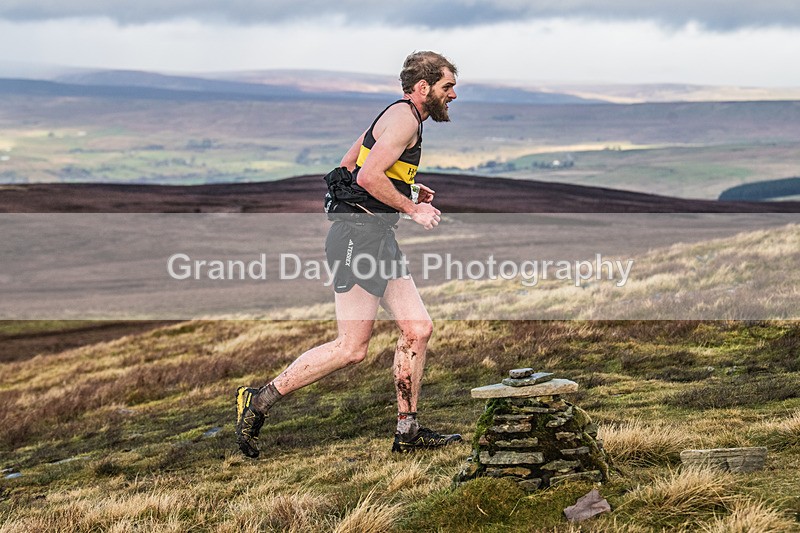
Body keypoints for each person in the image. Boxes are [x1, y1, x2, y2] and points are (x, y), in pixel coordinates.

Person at [236, 51, 461, 458]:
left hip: (375, 236)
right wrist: (412, 209)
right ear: (424, 87)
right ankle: (259, 401)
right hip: (358, 239)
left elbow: (347, 166)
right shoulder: (406, 118)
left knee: (418, 329)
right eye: (448, 86)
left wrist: (407, 190)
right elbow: (366, 175)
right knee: (351, 348)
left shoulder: (394, 115)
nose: (454, 94)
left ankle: (407, 432)